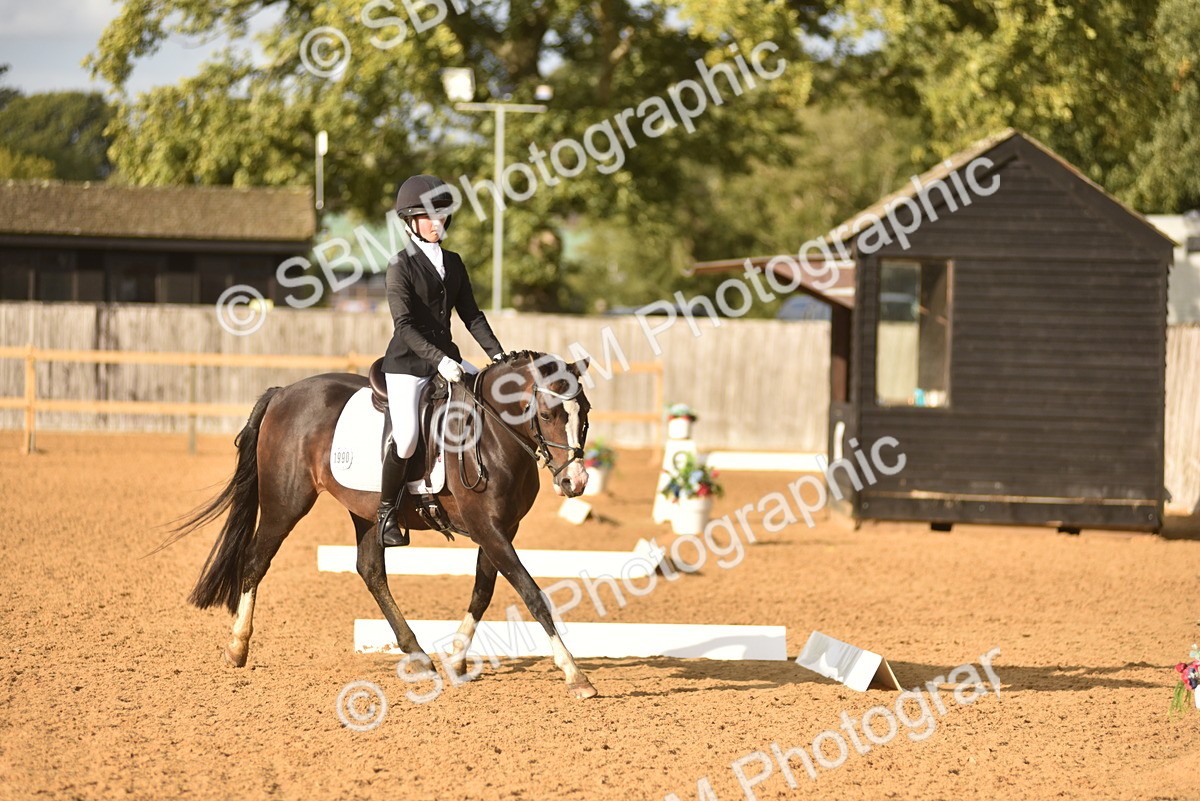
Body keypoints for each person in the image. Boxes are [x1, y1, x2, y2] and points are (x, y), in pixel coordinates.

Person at [377, 174, 505, 546]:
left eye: (442, 216)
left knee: (488, 401)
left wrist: (498, 355)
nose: (437, 223)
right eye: (429, 217)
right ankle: (387, 513)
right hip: (407, 365)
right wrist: (440, 360)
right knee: (406, 439)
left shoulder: (454, 261)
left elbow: (472, 316)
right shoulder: (400, 266)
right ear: (411, 221)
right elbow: (404, 325)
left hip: (447, 359)